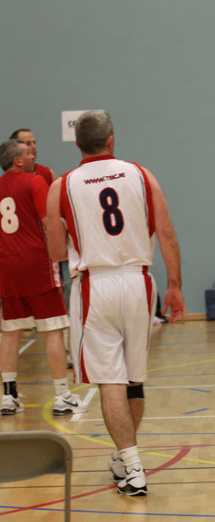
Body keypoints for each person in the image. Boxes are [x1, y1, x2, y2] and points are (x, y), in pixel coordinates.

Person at [46, 110, 186, 496]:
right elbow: (168, 233)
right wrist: (174, 285)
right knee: (133, 380)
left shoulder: (62, 186)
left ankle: (135, 468)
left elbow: (57, 250)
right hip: (140, 282)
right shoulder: (142, 174)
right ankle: (125, 458)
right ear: (112, 140)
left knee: (110, 381)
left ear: (77, 144)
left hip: (96, 284)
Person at [0, 140, 83, 416]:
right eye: (27, 151)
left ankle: (8, 396)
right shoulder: (34, 182)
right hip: (37, 265)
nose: (32, 153)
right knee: (53, 331)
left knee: (10, 332)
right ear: (18, 161)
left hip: (7, 268)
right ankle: (62, 395)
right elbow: (50, 222)